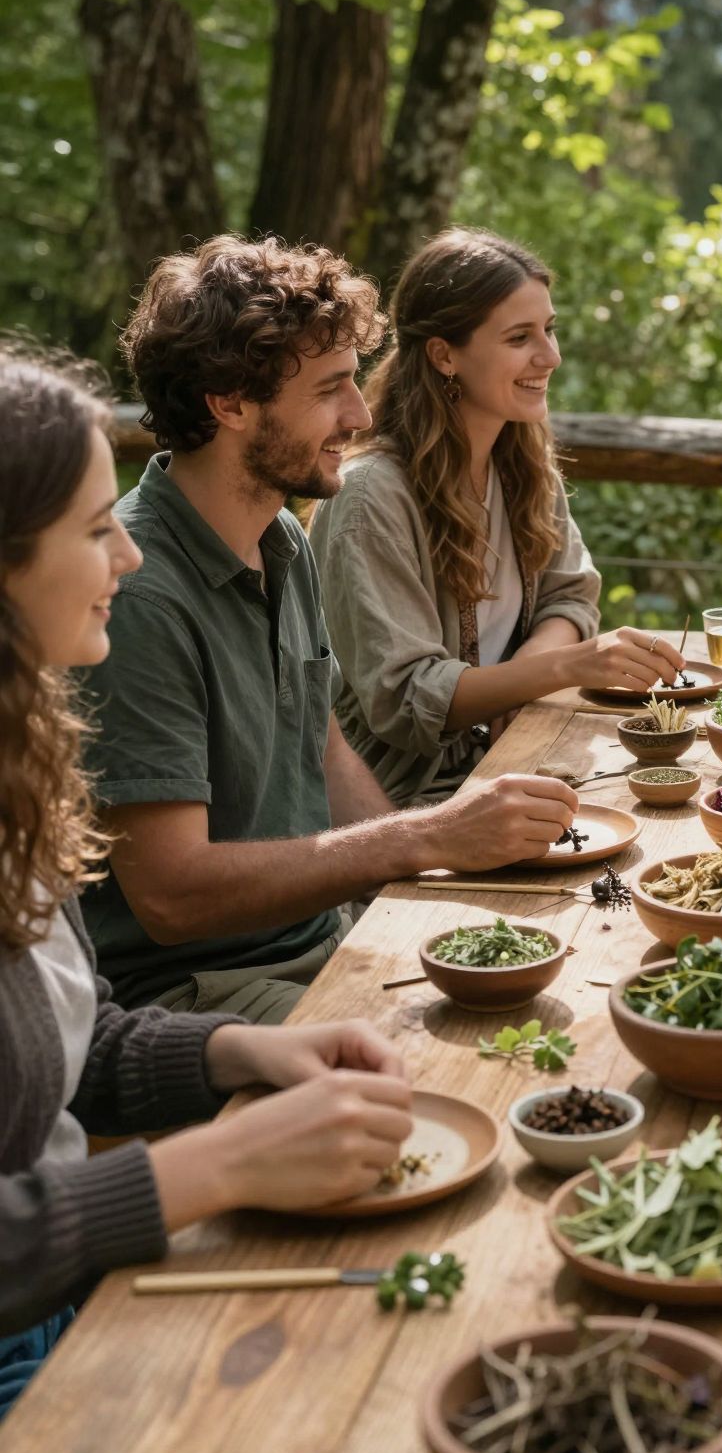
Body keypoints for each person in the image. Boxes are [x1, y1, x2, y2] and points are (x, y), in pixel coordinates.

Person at [0, 346, 415, 1407]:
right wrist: (215, 1168)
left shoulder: (21, 769)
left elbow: (78, 1041)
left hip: (66, 1284)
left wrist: (246, 1050)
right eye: (97, 532)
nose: (127, 559)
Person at [77, 235, 580, 1025]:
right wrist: (423, 840)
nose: (362, 412)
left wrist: (420, 893)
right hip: (195, 998)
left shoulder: (279, 539)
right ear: (229, 403)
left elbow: (325, 746)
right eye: (331, 389)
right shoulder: (139, 593)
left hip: (318, 940)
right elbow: (172, 897)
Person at [309, 227, 687, 803]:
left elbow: (569, 596)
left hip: (519, 757)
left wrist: (525, 680)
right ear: (444, 355)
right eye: (519, 338)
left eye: (549, 330)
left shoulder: (523, 462)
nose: (550, 356)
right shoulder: (369, 497)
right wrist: (565, 668)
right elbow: (406, 699)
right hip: (405, 804)